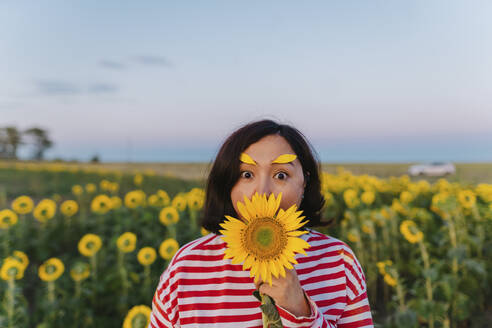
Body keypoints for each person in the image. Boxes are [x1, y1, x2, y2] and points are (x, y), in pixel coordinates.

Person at [149, 119, 374, 327]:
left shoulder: (337, 261)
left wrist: (300, 311)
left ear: (304, 182)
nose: (263, 192)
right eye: (247, 174)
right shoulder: (187, 268)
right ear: (228, 183)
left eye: (281, 175)